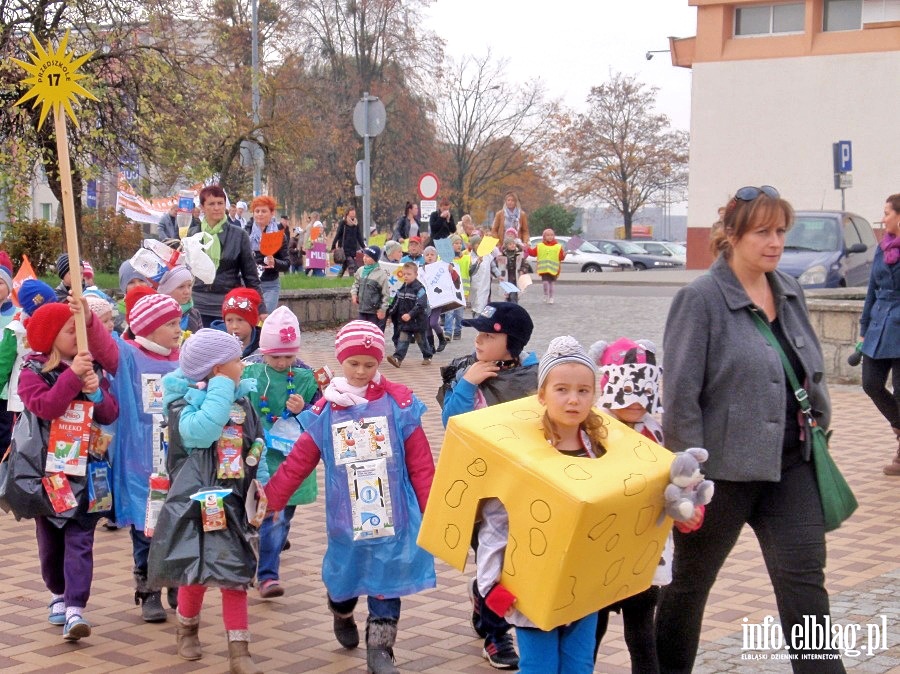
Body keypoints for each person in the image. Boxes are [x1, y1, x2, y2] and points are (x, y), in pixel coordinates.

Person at [656, 185, 845, 673]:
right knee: (689, 588)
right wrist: (687, 484)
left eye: (781, 231)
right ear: (732, 235)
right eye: (762, 231)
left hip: (791, 467)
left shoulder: (788, 288)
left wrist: (820, 420)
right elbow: (680, 397)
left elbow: (808, 364)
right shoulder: (700, 300)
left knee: (806, 589)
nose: (775, 241)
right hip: (721, 477)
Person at [264, 320, 436, 674]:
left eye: (369, 364)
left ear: (378, 364)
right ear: (341, 361)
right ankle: (340, 611)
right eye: (353, 363)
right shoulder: (325, 412)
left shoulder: (399, 405)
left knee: (388, 581)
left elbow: (421, 463)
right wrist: (271, 499)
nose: (361, 371)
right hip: (346, 519)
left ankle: (381, 651)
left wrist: (432, 508)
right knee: (344, 580)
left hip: (394, 517)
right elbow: (299, 461)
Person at [476, 336, 603, 674]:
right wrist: (490, 584)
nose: (573, 399)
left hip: (582, 590)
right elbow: (498, 519)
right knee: (540, 668)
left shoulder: (603, 452)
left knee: (579, 667)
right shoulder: (525, 454)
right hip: (531, 591)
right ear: (542, 394)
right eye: (562, 389)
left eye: (583, 391)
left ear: (594, 395)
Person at [148, 329, 263, 673]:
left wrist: (261, 475)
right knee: (193, 570)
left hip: (234, 498)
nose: (241, 366)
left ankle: (239, 651)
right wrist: (221, 390)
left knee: (234, 573)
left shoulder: (241, 400)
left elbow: (256, 439)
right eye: (235, 361)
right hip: (192, 502)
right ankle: (187, 628)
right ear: (216, 369)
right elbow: (202, 431)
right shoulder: (183, 402)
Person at [589, 337, 703, 673]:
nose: (637, 400)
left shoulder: (659, 430)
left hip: (647, 548)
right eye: (628, 388)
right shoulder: (591, 428)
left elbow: (685, 477)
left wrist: (690, 510)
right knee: (591, 628)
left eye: (645, 388)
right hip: (600, 547)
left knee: (641, 631)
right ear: (609, 383)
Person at [438, 302, 537, 670]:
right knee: (492, 562)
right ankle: (496, 633)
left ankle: (488, 616)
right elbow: (453, 424)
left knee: (515, 565)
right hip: (486, 492)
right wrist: (466, 385)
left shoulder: (534, 377)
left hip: (527, 489)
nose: (478, 340)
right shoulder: (471, 375)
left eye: (488, 335)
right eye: (477, 333)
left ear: (510, 342)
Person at [18, 297, 120, 641]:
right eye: (68, 330)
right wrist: (73, 378)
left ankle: (76, 606)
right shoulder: (32, 372)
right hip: (50, 473)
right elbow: (46, 407)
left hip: (87, 469)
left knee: (80, 536)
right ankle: (58, 592)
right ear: (49, 337)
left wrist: (95, 393)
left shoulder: (88, 365)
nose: (78, 335)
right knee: (50, 540)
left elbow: (109, 414)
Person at [241, 307, 320, 599]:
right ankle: (261, 570)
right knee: (262, 515)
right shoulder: (249, 375)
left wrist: (307, 409)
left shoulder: (307, 379)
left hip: (293, 460)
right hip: (258, 457)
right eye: (275, 356)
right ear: (263, 351)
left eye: (289, 356)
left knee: (282, 518)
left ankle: (267, 568)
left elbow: (324, 413)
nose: (283, 362)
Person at [860, 193, 900, 476]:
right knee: (871, 383)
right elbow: (871, 291)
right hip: (879, 326)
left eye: (887, 212)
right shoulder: (881, 248)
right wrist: (863, 330)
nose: (883, 217)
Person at [187, 185, 267, 326]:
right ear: (202, 207)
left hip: (228, 305)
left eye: (220, 203)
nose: (217, 208)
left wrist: (262, 309)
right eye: (211, 204)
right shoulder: (192, 234)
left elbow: (251, 276)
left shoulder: (239, 235)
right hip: (197, 304)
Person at [385, 262, 433, 367]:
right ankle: (397, 358)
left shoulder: (419, 288)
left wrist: (410, 314)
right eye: (404, 274)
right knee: (402, 339)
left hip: (418, 321)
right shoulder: (402, 288)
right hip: (405, 322)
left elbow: (421, 304)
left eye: (409, 274)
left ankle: (427, 355)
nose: (406, 276)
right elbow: (396, 303)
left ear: (416, 275)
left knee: (421, 341)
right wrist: (389, 315)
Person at [248, 195, 289, 313]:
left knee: (264, 318)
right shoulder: (246, 233)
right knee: (249, 321)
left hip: (270, 285)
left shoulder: (280, 236)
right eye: (257, 211)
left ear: (271, 213)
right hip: (250, 284)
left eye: (264, 211)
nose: (260, 214)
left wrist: (274, 262)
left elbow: (286, 263)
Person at [213, 287, 262, 358]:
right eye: (229, 320)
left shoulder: (263, 344)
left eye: (240, 320)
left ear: (253, 322)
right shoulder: (216, 344)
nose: (234, 326)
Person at [351, 245, 391, 329]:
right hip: (362, 309)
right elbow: (356, 284)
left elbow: (386, 294)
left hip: (374, 311)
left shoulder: (381, 275)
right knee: (361, 330)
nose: (365, 258)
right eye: (364, 255)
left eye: (368, 257)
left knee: (372, 331)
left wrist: (383, 309)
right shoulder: (360, 271)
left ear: (375, 259)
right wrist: (354, 294)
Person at [158, 265, 202, 337]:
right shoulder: (158, 313)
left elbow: (199, 340)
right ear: (168, 290)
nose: (187, 292)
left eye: (189, 286)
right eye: (181, 287)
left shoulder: (194, 314)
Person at [525, 228, 566, 304]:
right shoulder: (540, 246)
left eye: (551, 235)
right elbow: (533, 253)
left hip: (554, 270)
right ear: (544, 236)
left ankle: (551, 297)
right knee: (545, 283)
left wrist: (563, 255)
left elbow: (561, 258)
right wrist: (527, 248)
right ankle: (545, 294)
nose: (550, 237)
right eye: (548, 235)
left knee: (551, 284)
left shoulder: (558, 246)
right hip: (544, 269)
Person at [422, 246, 448, 353]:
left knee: (433, 322)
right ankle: (431, 346)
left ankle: (442, 340)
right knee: (427, 324)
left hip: (438, 298)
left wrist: (449, 268)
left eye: (432, 255)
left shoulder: (440, 268)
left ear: (436, 257)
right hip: (426, 300)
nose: (429, 257)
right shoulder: (421, 269)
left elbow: (448, 276)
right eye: (427, 255)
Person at [443, 235, 468, 340]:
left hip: (461, 291)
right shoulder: (445, 258)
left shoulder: (466, 258)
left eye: (460, 243)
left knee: (459, 314)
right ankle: (448, 332)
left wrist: (477, 265)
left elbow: (469, 272)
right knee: (449, 311)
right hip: (449, 289)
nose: (458, 245)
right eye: (456, 243)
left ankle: (458, 330)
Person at [332, 208, 366, 277]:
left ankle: (338, 277)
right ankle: (352, 279)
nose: (353, 214)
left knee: (345, 265)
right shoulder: (343, 223)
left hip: (353, 248)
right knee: (351, 264)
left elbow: (359, 236)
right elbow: (338, 234)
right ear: (348, 213)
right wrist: (333, 245)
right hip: (344, 248)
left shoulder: (356, 224)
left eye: (354, 212)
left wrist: (363, 247)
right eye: (351, 212)